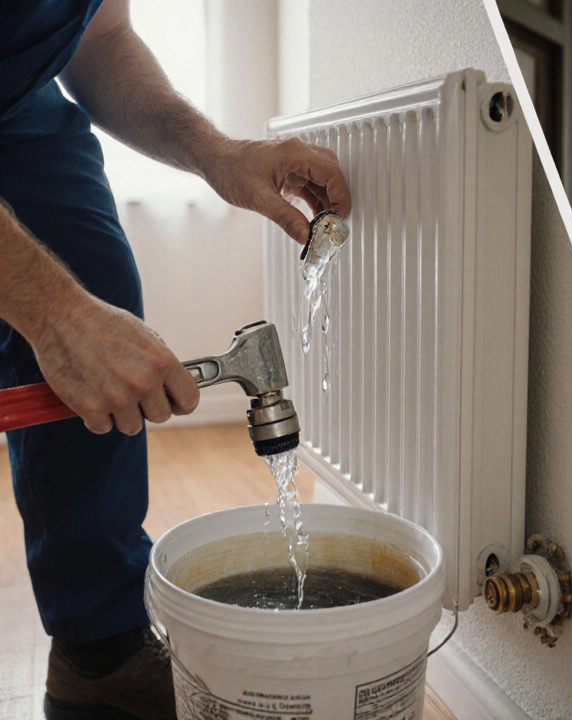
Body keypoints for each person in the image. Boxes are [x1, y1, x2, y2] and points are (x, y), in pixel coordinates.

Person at [0, 1, 350, 717]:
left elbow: (101, 37)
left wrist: (220, 154)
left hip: (18, 99)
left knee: (95, 281)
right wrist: (52, 314)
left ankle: (101, 658)